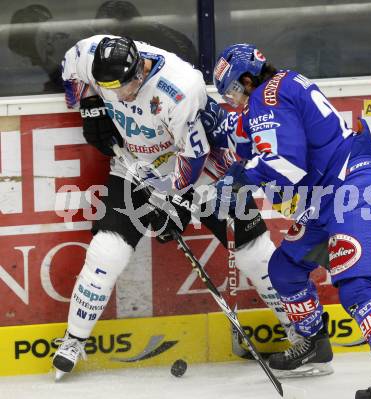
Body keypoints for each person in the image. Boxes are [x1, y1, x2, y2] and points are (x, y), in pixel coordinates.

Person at [52, 35, 291, 379]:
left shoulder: (180, 87)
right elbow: (71, 71)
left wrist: (172, 203)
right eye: (110, 90)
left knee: (254, 250)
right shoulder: (91, 54)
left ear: (139, 70)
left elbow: (194, 159)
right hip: (135, 164)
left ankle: (304, 333)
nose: (119, 97)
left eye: (125, 88)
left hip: (207, 166)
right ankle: (73, 340)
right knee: (107, 252)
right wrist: (89, 106)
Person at [210, 43, 371, 398]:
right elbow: (263, 146)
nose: (234, 99)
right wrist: (238, 166)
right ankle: (313, 344)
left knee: (356, 285)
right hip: (327, 198)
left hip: (354, 192)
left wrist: (239, 179)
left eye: (233, 89)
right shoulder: (280, 88)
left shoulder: (267, 97)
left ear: (248, 78)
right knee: (286, 268)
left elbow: (286, 165)